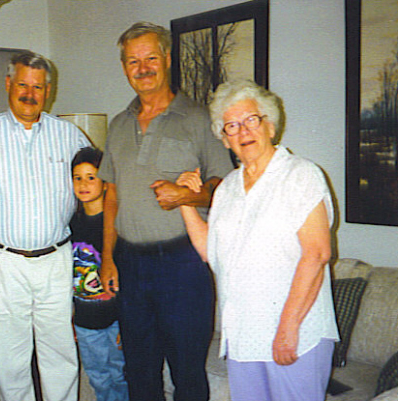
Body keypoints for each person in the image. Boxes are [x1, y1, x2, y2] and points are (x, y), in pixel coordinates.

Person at [176, 79, 340, 401]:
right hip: (243, 336)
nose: (243, 132)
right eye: (231, 126)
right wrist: (184, 203)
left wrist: (287, 329)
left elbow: (317, 254)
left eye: (251, 120)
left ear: (270, 125)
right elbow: (212, 252)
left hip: (296, 334)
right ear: (224, 139)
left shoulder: (301, 175)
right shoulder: (227, 188)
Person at [98, 22, 233, 401]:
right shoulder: (118, 125)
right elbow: (111, 196)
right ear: (124, 67)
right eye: (133, 61)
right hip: (130, 263)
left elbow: (223, 189)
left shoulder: (198, 118)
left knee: (187, 372)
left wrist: (185, 197)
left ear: (167, 60)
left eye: (150, 58)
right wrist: (108, 257)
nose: (142, 68)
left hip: (182, 266)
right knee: (138, 369)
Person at [0, 51, 90, 401]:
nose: (30, 93)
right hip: (1, 262)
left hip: (56, 259)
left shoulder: (69, 136)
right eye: (23, 84)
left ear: (49, 90)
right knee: (10, 358)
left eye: (38, 86)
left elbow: (94, 184)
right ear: (8, 84)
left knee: (60, 353)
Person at [70, 146, 129, 401]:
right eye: (77, 177)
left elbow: (129, 276)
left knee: (120, 374)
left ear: (106, 183)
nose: (83, 184)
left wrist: (128, 323)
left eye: (91, 177)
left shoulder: (117, 225)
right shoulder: (70, 223)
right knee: (97, 375)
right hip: (85, 321)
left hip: (116, 320)